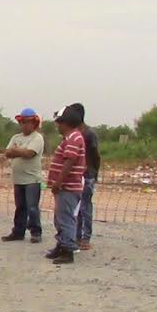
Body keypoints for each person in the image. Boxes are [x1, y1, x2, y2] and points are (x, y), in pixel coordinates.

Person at [46, 103, 88, 265]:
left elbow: (69, 161)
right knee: (60, 218)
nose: (57, 125)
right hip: (65, 187)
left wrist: (58, 181)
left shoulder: (74, 138)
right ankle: (61, 245)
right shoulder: (71, 138)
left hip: (68, 187)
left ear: (66, 123)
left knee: (65, 218)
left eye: (59, 122)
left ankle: (68, 249)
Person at [0, 108, 45, 244]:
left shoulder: (37, 138)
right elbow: (7, 152)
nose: (24, 125)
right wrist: (18, 151)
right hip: (18, 179)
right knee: (20, 206)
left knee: (32, 207)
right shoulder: (16, 137)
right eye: (22, 122)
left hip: (32, 178)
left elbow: (30, 153)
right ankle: (18, 232)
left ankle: (36, 232)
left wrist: (16, 150)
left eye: (27, 122)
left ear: (34, 123)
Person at [77, 121, 101, 251]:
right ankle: (77, 236)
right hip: (78, 175)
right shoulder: (74, 134)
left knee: (85, 207)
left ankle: (85, 238)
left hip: (87, 175)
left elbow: (96, 156)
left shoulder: (89, 134)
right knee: (77, 208)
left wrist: (93, 173)